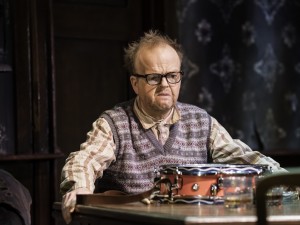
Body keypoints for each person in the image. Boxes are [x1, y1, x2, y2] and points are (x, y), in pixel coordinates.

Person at [60, 30, 287, 223]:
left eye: (172, 76)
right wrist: (78, 189)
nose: (165, 85)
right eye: (153, 77)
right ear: (135, 83)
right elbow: (84, 161)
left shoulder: (200, 120)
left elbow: (244, 157)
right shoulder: (115, 122)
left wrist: (285, 180)